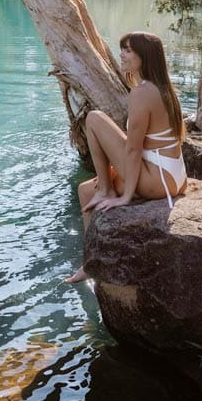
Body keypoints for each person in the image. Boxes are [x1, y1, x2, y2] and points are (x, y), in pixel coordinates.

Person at [66, 31, 188, 284]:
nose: (122, 54)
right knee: (86, 190)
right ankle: (91, 262)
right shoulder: (163, 88)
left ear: (145, 56)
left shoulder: (142, 93)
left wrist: (126, 196)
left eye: (128, 50)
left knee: (94, 118)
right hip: (173, 175)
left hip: (158, 180)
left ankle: (108, 193)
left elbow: (133, 149)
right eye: (122, 49)